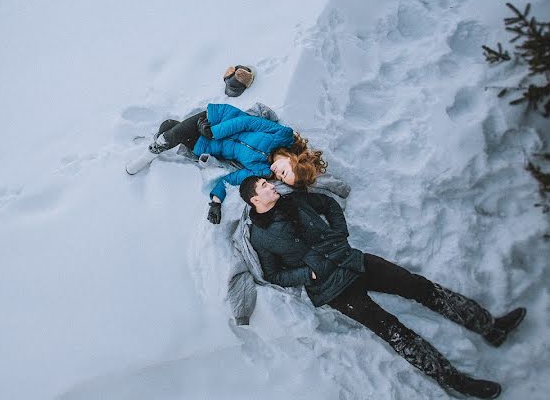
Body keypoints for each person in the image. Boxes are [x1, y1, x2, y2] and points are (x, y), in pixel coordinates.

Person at [241, 177, 526, 399]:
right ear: (255, 199)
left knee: (417, 286)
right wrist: (308, 273)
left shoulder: (295, 201)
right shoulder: (261, 236)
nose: (271, 185)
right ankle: (460, 383)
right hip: (333, 290)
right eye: (264, 185)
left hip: (354, 261)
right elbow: (273, 274)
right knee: (395, 333)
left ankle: (488, 326)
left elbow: (328, 206)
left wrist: (341, 234)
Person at [126, 103, 326, 224]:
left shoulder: (262, 171)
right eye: (284, 171)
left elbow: (232, 179)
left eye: (282, 177)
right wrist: (214, 130)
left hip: (209, 143)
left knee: (170, 128)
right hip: (217, 122)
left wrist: (216, 202)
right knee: (174, 134)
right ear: (292, 159)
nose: (277, 173)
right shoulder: (283, 135)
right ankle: (147, 155)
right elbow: (248, 122)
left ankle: (159, 139)